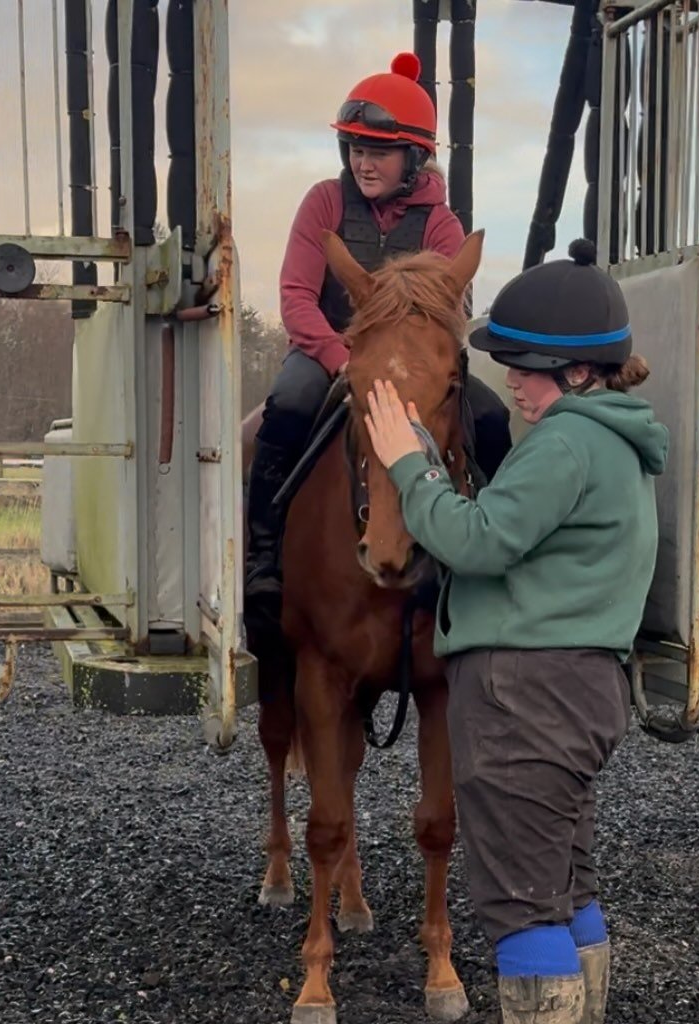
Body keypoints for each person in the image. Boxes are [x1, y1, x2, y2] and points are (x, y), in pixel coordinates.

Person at [364, 238, 669, 1024]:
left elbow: (480, 539)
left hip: (525, 696)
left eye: (528, 371)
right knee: (567, 883)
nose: (516, 387)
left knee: (519, 902)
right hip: (576, 690)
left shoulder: (567, 442)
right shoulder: (611, 438)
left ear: (578, 371)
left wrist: (406, 462)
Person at [244, 51, 512, 617]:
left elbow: (445, 315)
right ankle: (263, 556)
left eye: (380, 153)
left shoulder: (442, 225)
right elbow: (295, 295)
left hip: (412, 363)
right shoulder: (323, 202)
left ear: (413, 158)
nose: (364, 164)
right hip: (326, 354)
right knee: (287, 409)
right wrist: (342, 358)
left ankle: (490, 548)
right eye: (356, 150)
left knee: (489, 419)